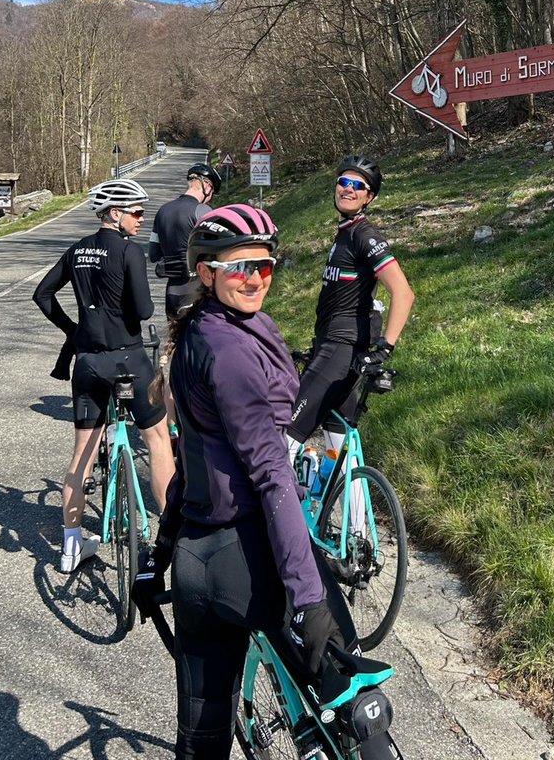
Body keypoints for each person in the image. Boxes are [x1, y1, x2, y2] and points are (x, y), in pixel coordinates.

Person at [131, 205, 350, 759]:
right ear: (206, 273)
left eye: (265, 267)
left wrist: (158, 553)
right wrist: (306, 597)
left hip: (196, 563)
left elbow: (194, 464)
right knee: (357, 715)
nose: (255, 279)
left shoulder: (201, 336)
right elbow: (272, 476)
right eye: (239, 268)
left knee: (201, 740)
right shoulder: (230, 354)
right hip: (248, 554)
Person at [32, 178, 175, 573]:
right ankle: (172, 539)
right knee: (159, 440)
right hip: (128, 358)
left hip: (88, 363)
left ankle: (71, 546)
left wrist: (72, 330)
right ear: (114, 213)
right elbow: (145, 311)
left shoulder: (77, 250)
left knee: (82, 455)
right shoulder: (128, 252)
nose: (141, 219)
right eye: (136, 212)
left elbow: (42, 295)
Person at [287, 155, 414, 461]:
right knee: (337, 444)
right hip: (333, 348)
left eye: (358, 186)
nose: (348, 189)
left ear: (369, 197)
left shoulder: (363, 235)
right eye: (344, 181)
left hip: (340, 353)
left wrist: (386, 347)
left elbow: (403, 293)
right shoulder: (344, 233)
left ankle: (271, 510)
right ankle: (354, 509)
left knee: (282, 440)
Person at [148, 162, 223, 320]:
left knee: (175, 341)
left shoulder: (162, 211)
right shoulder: (203, 211)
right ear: (207, 186)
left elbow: (154, 254)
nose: (210, 198)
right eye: (213, 193)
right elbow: (217, 252)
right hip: (198, 289)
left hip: (172, 291)